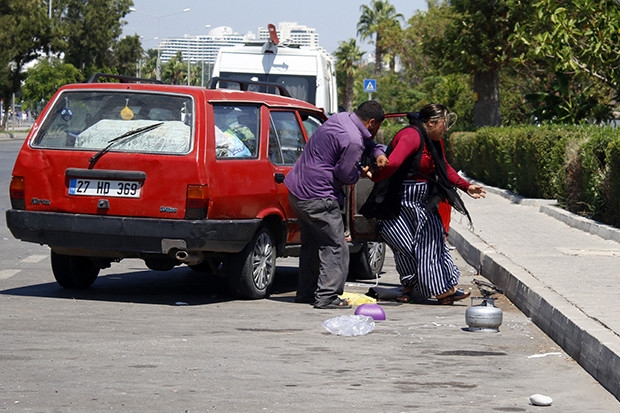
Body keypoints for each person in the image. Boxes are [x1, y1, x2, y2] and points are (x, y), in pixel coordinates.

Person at [371, 103, 486, 305]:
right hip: (397, 200)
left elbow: (444, 167)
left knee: (430, 244)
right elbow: (394, 163)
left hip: (424, 201)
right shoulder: (411, 136)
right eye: (444, 124)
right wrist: (375, 176)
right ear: (432, 123)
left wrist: (466, 186)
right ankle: (420, 286)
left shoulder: (434, 141)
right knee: (404, 246)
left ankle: (441, 289)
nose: (447, 129)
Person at [285, 101, 388, 309]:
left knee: (313, 245)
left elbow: (366, 143)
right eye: (376, 129)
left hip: (297, 191)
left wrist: (378, 153)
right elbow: (345, 174)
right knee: (335, 246)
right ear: (372, 123)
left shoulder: (340, 118)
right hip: (319, 196)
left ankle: (306, 293)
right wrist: (361, 172)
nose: (375, 133)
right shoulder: (353, 141)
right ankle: (327, 296)